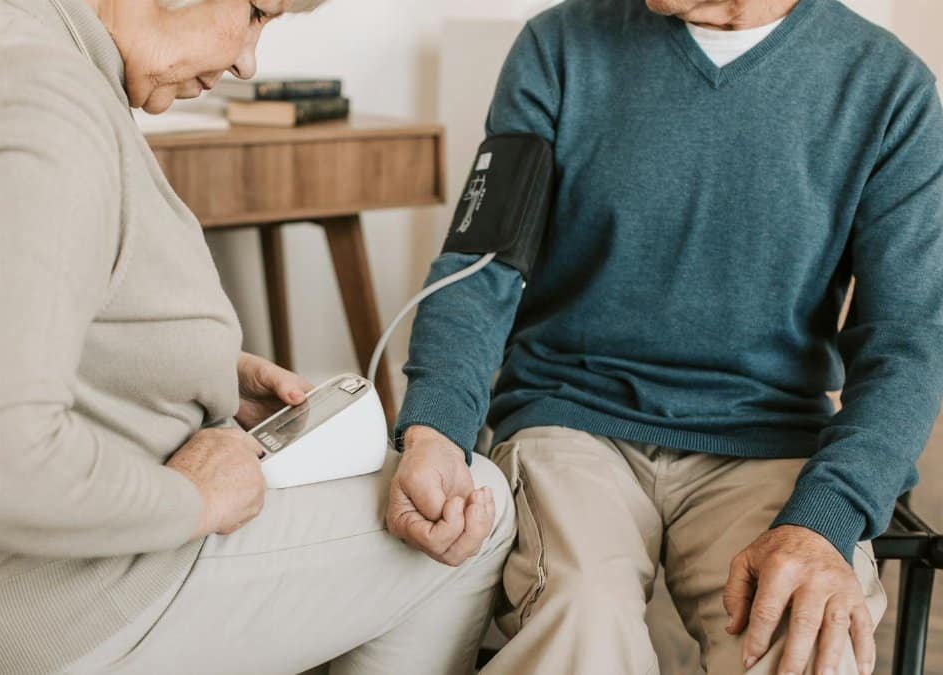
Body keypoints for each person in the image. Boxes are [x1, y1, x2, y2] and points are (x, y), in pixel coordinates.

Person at [0, 0, 514, 673]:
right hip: (61, 604)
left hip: (9, 586)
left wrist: (200, 370)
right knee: (472, 506)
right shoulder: (40, 104)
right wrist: (193, 501)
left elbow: (12, 312)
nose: (250, 62)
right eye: (257, 13)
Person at [390, 0, 943, 673]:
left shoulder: (887, 89)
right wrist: (435, 428)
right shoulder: (560, 47)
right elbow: (481, 268)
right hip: (573, 419)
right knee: (579, 615)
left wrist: (827, 516)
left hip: (768, 438)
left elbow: (909, 342)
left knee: (801, 641)